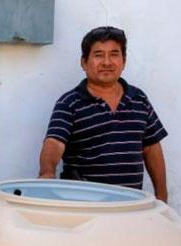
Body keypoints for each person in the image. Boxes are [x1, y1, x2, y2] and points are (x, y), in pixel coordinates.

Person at [39, 26, 169, 202]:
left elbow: (151, 148)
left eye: (114, 54)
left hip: (130, 205)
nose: (107, 62)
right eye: (98, 55)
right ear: (84, 62)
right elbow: (54, 142)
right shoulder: (69, 103)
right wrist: (47, 173)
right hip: (84, 205)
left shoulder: (139, 99)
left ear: (123, 61)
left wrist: (161, 196)